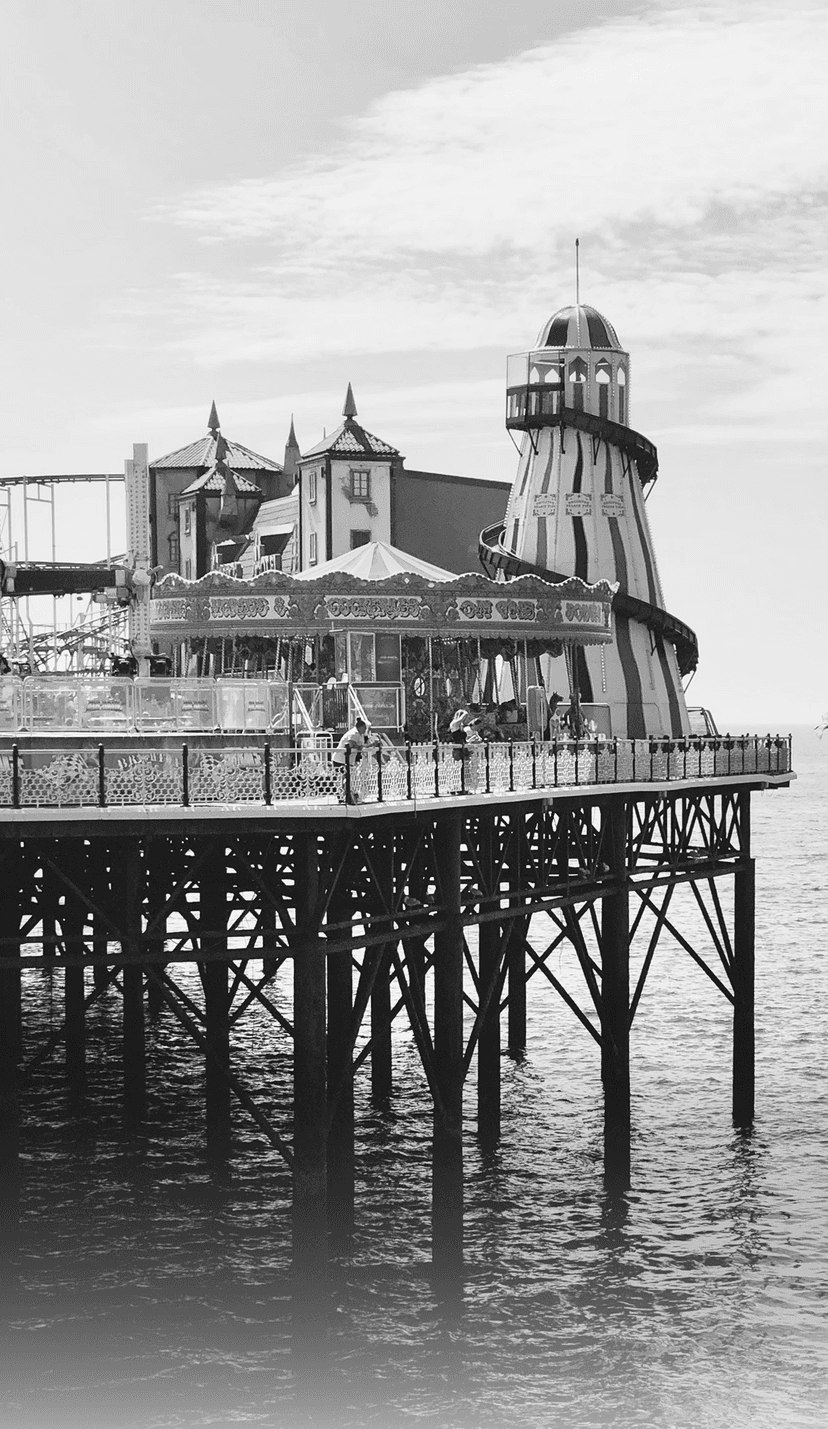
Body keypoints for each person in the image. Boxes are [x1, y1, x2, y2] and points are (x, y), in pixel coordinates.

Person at [332, 717, 367, 804]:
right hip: (340, 759)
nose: (365, 730)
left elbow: (360, 745)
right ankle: (342, 797)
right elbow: (351, 744)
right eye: (364, 728)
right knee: (342, 778)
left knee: (346, 778)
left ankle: (345, 796)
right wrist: (359, 747)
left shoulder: (359, 734)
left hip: (347, 760)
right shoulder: (354, 733)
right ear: (360, 727)